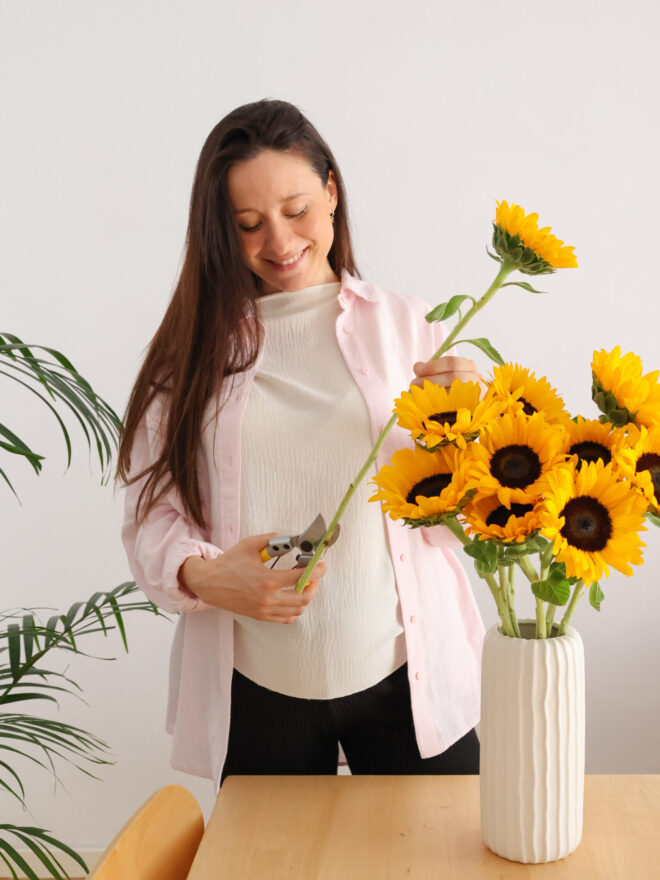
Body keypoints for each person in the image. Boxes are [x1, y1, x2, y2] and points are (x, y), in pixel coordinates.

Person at [117, 98, 486, 792]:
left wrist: (477, 440)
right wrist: (205, 575)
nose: (279, 243)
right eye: (247, 224)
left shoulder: (412, 327)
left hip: (408, 680)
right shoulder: (187, 359)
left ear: (332, 192)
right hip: (258, 694)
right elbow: (149, 520)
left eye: (297, 211)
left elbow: (463, 522)